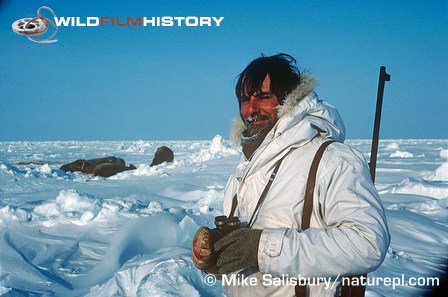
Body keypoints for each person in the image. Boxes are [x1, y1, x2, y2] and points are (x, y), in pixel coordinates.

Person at [208, 54, 390, 296]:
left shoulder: (332, 160)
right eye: (244, 100)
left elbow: (368, 243)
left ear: (289, 100)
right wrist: (220, 259)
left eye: (263, 98)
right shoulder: (243, 171)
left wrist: (262, 248)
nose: (250, 109)